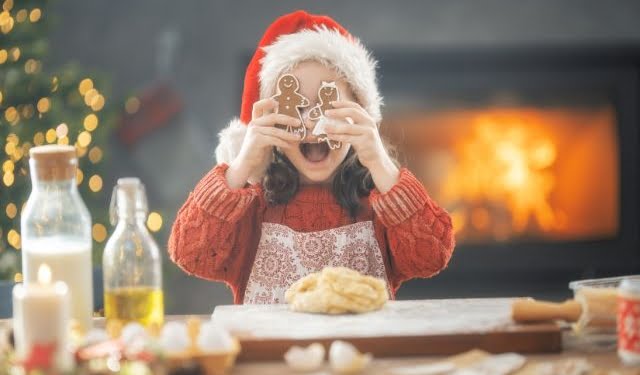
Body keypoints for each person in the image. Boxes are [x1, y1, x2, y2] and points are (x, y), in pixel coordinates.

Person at [168, 10, 455, 304]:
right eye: (296, 106)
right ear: (269, 120)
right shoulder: (251, 208)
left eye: (328, 103)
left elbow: (433, 256)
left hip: (361, 350)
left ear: (360, 115)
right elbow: (190, 254)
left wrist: (380, 163)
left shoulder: (380, 203)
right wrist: (241, 165)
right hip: (270, 350)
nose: (311, 123)